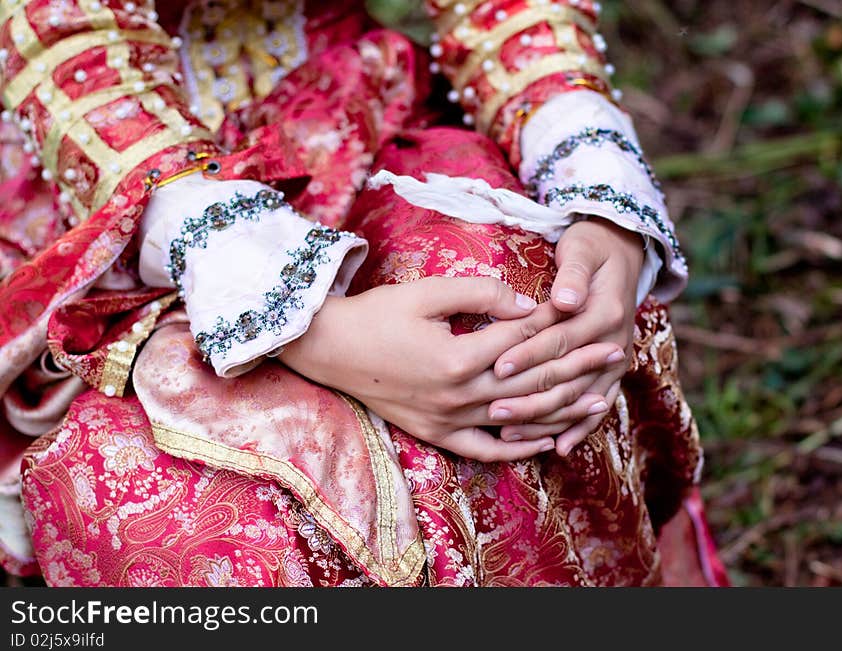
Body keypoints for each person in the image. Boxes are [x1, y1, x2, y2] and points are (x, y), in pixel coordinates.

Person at [0, 0, 727, 586]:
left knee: (517, 309)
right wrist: (302, 323)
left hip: (345, 123)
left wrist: (597, 196)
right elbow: (65, 47)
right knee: (172, 501)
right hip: (106, 183)